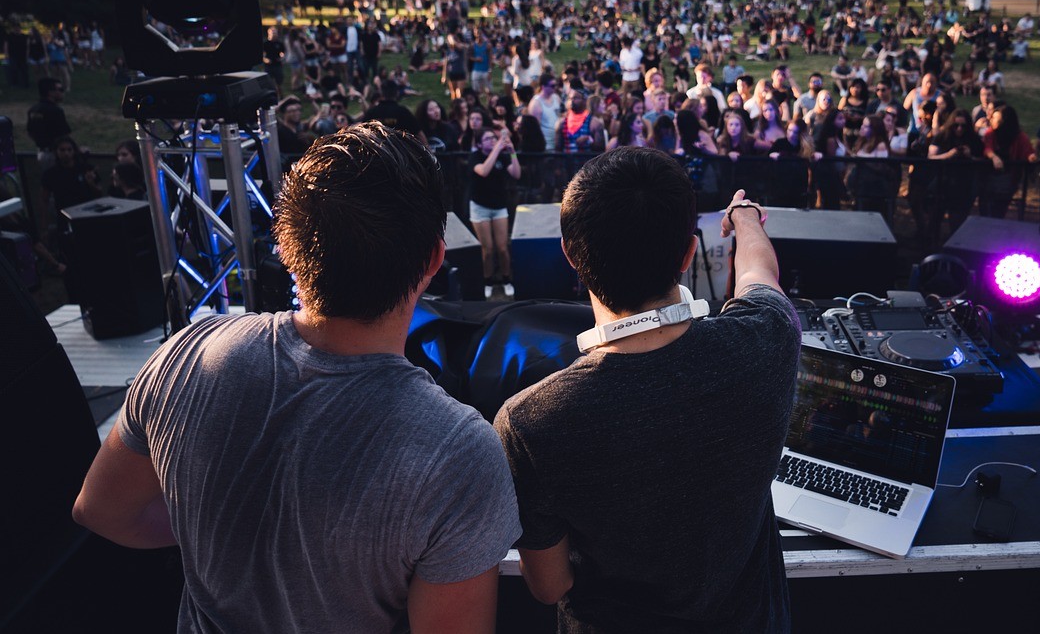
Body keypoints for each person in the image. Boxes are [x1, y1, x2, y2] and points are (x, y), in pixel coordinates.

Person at [72, 122, 520, 633]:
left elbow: (100, 510)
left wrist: (213, 525)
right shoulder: (459, 454)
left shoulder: (186, 355)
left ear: (285, 250)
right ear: (435, 260)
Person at [494, 151, 800, 632]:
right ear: (687, 253)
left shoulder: (530, 422)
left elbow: (548, 586)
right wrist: (745, 217)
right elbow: (759, 275)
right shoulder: (767, 338)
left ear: (571, 255)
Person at [470, 126, 521, 298]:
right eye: (488, 139)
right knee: (488, 249)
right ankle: (488, 281)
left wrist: (512, 152)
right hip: (480, 207)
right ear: (479, 143)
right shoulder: (475, 156)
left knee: (502, 247)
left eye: (494, 137)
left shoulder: (503, 157)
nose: (492, 140)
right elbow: (483, 171)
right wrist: (498, 148)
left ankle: (507, 279)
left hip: (499, 206)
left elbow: (516, 174)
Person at [26, 77, 71, 169]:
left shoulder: (33, 110)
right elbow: (64, 135)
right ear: (51, 93)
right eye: (60, 90)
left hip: (41, 153)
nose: (63, 93)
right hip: (56, 155)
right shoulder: (55, 111)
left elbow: (30, 132)